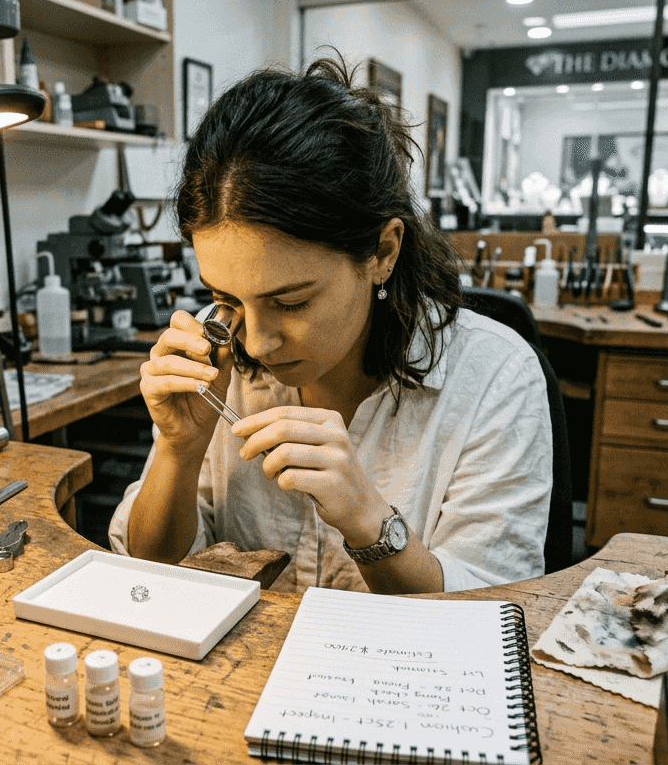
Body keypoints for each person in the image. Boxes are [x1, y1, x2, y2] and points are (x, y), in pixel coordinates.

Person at [107, 56, 551, 594]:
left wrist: (366, 519)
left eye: (291, 303)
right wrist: (180, 449)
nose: (257, 341)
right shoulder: (216, 358)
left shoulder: (493, 378)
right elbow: (148, 570)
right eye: (226, 297)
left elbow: (492, 607)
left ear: (383, 251)